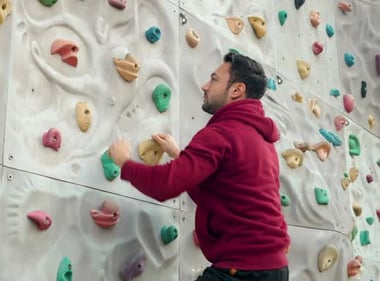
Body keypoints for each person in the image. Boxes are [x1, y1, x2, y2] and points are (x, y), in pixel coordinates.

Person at [109, 52, 290, 281]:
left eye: (214, 79)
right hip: (273, 269)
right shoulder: (261, 141)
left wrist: (125, 163)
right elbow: (217, 195)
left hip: (242, 271)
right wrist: (179, 155)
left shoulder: (221, 133)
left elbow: (164, 186)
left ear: (236, 90)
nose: (204, 86)